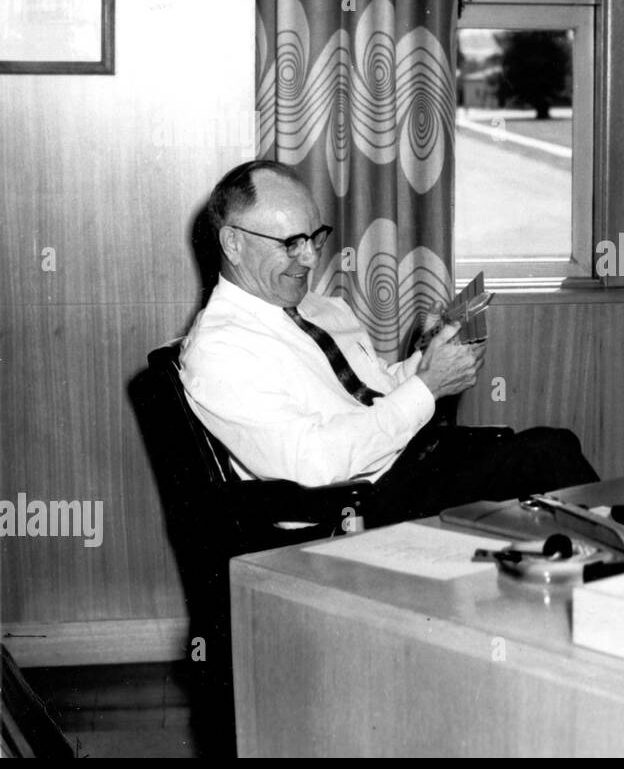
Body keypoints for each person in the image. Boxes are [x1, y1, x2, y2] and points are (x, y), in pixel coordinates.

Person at [181, 160, 597, 525]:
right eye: (291, 243)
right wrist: (428, 388)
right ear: (233, 243)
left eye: (315, 238)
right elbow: (313, 464)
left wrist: (428, 357)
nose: (309, 259)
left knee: (549, 446)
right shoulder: (219, 349)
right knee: (547, 456)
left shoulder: (320, 309)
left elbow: (375, 388)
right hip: (350, 505)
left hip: (406, 464)